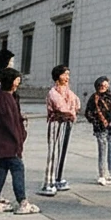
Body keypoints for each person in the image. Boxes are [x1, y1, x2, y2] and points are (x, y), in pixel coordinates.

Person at [0, 67, 40, 215]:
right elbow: (9, 123)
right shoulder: (5, 98)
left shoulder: (6, 97)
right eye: (17, 79)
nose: (19, 81)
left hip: (1, 144)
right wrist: (19, 140)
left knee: (1, 170)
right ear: (11, 81)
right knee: (17, 169)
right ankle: (22, 201)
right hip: (9, 144)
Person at [38, 64, 80, 196]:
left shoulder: (68, 91)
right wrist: (71, 111)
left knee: (62, 151)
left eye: (68, 74)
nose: (67, 77)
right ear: (57, 76)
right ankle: (48, 181)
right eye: (64, 74)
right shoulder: (53, 92)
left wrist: (71, 111)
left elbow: (77, 103)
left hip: (66, 123)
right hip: (56, 122)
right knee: (53, 152)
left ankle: (58, 177)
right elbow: (61, 107)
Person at [85, 76, 111, 186]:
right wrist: (96, 122)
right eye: (101, 85)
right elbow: (88, 113)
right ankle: (102, 175)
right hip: (101, 129)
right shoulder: (94, 98)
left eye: (105, 85)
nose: (103, 87)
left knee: (110, 152)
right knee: (102, 152)